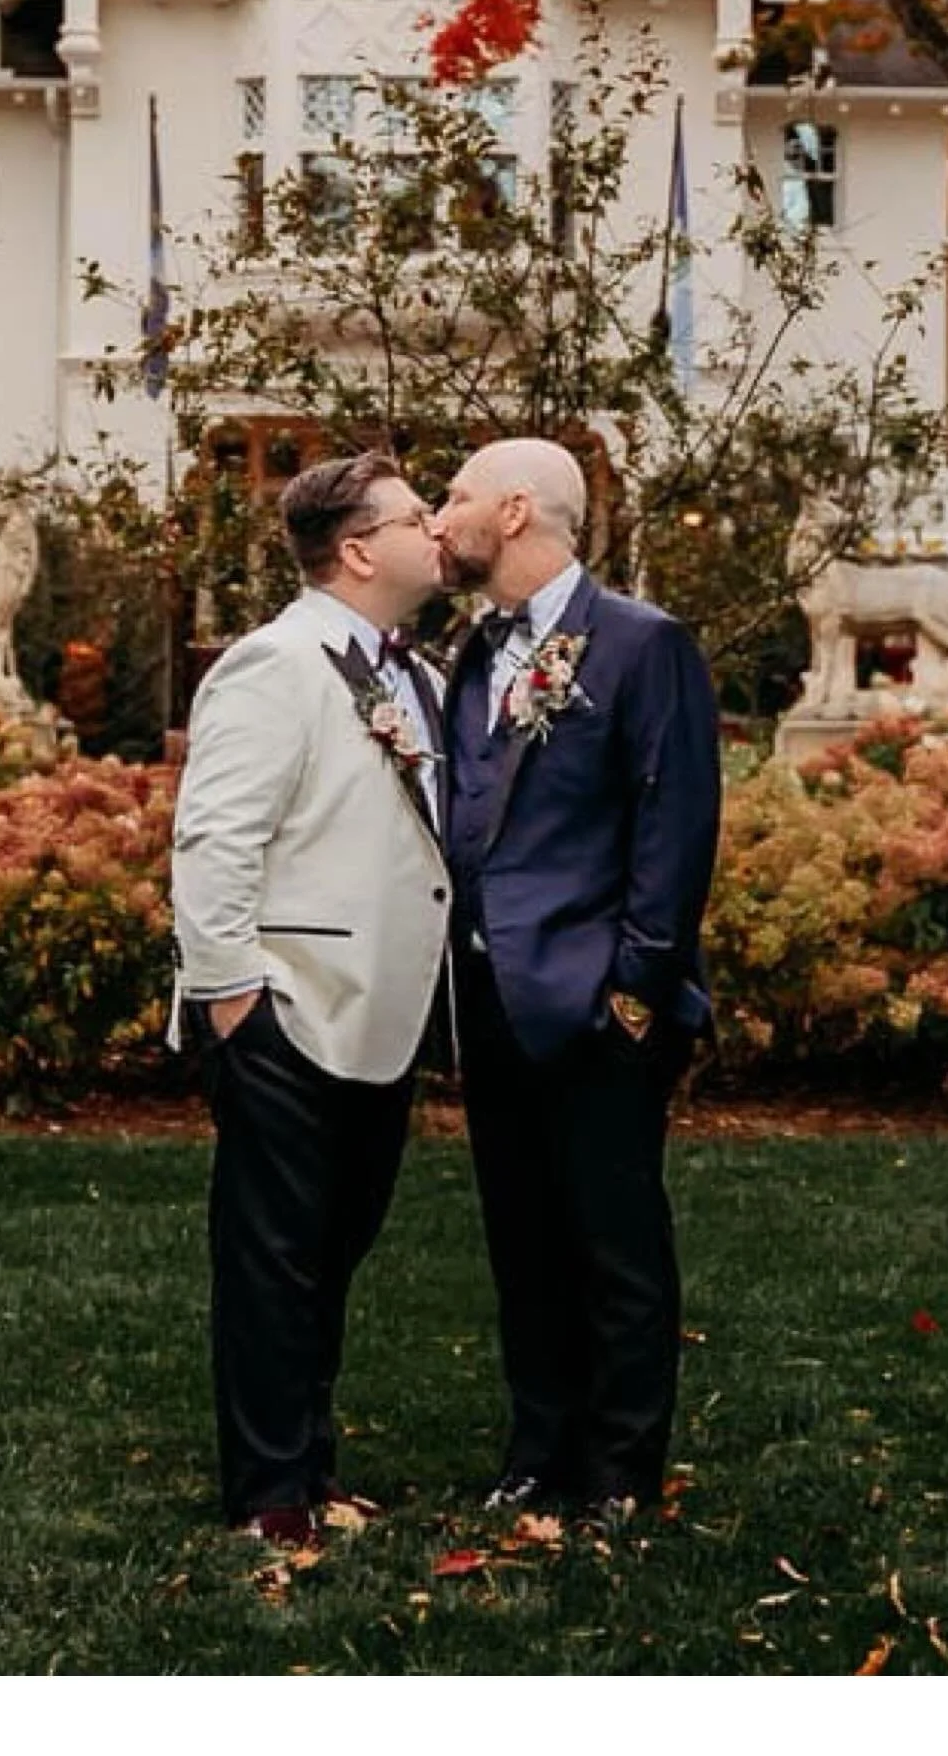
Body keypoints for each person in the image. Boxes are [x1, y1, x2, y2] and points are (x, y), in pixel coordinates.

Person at [434, 435, 721, 1533]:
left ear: (514, 513)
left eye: (456, 497)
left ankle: (619, 1469)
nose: (441, 516)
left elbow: (676, 823)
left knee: (615, 1243)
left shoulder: (642, 645)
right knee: (522, 1240)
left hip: (602, 1002)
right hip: (493, 999)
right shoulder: (475, 649)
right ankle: (536, 1446)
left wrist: (635, 989)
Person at [169, 449, 452, 1550]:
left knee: (333, 1251)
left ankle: (311, 1462)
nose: (436, 532)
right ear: (360, 548)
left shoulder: (408, 675)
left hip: (381, 1013)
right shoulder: (274, 666)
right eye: (417, 516)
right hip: (288, 1007)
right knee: (273, 1258)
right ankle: (269, 1494)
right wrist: (235, 996)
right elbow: (214, 837)